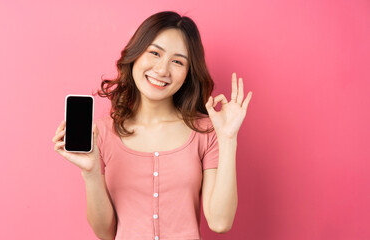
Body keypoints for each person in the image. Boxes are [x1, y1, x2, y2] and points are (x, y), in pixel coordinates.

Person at [52, 11, 252, 240]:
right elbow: (105, 233)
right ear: (136, 55)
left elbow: (220, 222)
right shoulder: (103, 132)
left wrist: (228, 139)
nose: (162, 70)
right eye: (155, 53)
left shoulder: (205, 131)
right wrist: (91, 173)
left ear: (188, 73)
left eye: (177, 61)